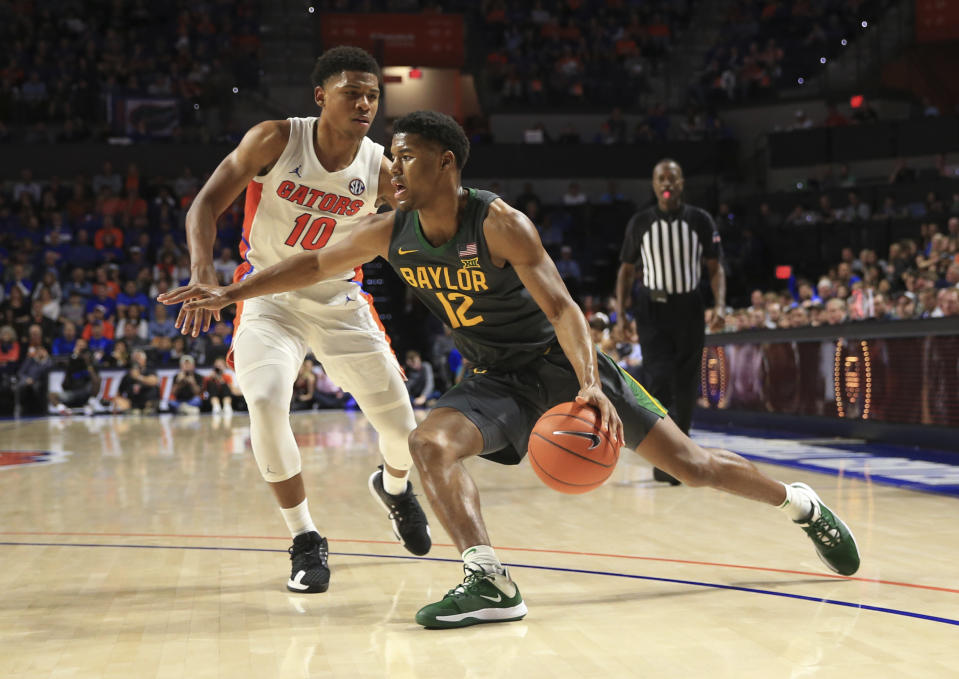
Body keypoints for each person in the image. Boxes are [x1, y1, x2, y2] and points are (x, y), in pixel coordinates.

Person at [159, 110, 861, 629]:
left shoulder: (499, 223)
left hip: (562, 364)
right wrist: (228, 290)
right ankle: (487, 577)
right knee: (427, 442)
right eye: (391, 159)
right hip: (496, 376)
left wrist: (589, 381)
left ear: (446, 165)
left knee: (692, 464)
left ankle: (800, 504)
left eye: (404, 158)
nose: (390, 170)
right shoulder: (387, 228)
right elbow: (310, 265)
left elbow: (562, 309)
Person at [171, 46, 429, 594]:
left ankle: (395, 488)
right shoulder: (276, 139)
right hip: (267, 299)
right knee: (263, 402)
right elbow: (204, 205)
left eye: (372, 95)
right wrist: (203, 273)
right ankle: (305, 537)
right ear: (321, 97)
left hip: (338, 301)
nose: (365, 103)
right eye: (352, 92)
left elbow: (429, 222)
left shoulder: (381, 170)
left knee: (404, 433)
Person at [615, 158, 726, 485]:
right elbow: (625, 271)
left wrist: (719, 304)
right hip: (652, 307)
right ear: (653, 184)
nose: (667, 184)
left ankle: (683, 458)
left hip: (689, 306)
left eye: (672, 179)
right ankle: (667, 456)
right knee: (659, 379)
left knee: (686, 382)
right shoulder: (641, 222)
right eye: (661, 178)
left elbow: (715, 267)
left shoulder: (700, 220)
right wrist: (621, 313)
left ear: (681, 184)